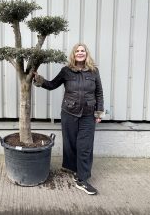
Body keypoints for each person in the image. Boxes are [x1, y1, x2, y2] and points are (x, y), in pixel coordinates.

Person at [33, 43, 104, 195]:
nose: (80, 53)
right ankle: (73, 168)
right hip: (69, 113)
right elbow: (52, 85)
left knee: (84, 146)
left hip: (88, 114)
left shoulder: (94, 71)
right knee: (70, 144)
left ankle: (82, 179)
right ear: (73, 54)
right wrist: (39, 79)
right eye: (77, 51)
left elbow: (99, 93)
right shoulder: (66, 71)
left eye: (82, 50)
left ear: (86, 53)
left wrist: (99, 113)